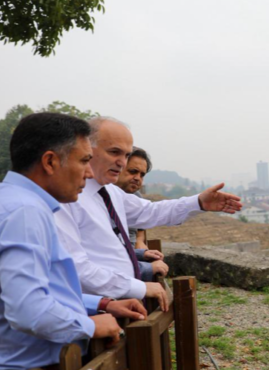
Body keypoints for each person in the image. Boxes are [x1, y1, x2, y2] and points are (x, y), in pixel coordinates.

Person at [0, 113, 147, 370]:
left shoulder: (1, 202)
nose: (88, 172)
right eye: (83, 160)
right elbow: (28, 309)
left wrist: (101, 303)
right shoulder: (24, 213)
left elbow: (31, 290)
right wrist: (89, 326)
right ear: (50, 161)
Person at [55, 117, 242, 311]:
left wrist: (198, 202)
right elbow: (75, 266)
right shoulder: (66, 197)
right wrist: (137, 287)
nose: (121, 162)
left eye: (126, 155)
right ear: (86, 149)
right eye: (114, 152)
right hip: (96, 309)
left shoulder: (109, 192)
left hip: (120, 302)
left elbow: (150, 211)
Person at [115, 147, 167, 281]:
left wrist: (140, 244)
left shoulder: (136, 197)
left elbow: (141, 227)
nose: (137, 178)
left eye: (142, 175)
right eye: (133, 171)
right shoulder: (102, 198)